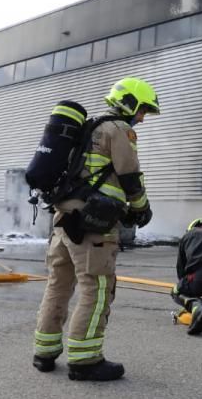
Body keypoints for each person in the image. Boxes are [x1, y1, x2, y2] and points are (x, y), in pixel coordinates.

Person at [31, 78, 158, 382]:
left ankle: (44, 352)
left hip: (63, 219)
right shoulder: (118, 130)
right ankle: (85, 359)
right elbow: (130, 178)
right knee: (97, 288)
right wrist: (142, 209)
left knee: (58, 285)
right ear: (129, 103)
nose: (142, 118)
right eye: (142, 110)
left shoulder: (88, 128)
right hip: (91, 225)